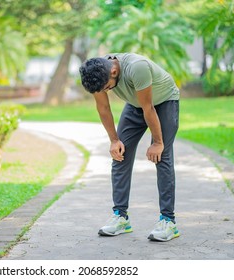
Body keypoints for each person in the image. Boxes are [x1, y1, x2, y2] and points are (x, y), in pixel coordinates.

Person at [79, 53, 180, 242]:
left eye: (108, 87)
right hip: (136, 105)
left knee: (162, 155)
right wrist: (114, 140)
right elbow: (103, 108)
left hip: (164, 101)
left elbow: (148, 107)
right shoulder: (97, 73)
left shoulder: (137, 67)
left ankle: (169, 221)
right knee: (120, 153)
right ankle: (120, 217)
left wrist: (157, 142)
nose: (107, 91)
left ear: (114, 71)